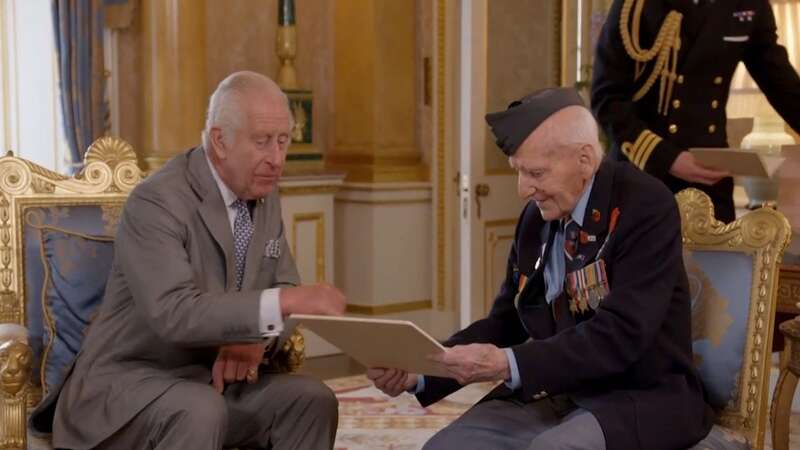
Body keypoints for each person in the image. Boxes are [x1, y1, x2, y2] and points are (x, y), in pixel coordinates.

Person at [368, 88, 714, 450]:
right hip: (557, 387)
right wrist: (423, 369)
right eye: (518, 171)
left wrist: (506, 364)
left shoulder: (643, 205)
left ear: (583, 160)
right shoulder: (536, 219)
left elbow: (621, 335)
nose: (523, 190)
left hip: (640, 393)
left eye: (535, 172)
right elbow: (507, 321)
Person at [33, 71, 346, 450]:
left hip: (210, 382)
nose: (277, 160)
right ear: (220, 140)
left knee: (311, 401)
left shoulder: (263, 193)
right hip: (126, 385)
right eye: (262, 142)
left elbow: (285, 282)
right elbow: (174, 312)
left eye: (283, 142)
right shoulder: (157, 201)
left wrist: (257, 341)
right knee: (200, 410)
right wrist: (279, 305)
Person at [591, 0, 800, 223]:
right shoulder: (636, 6)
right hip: (642, 174)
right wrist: (669, 159)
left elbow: (783, 86)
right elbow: (607, 100)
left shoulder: (747, 5)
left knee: (722, 256)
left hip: (709, 178)